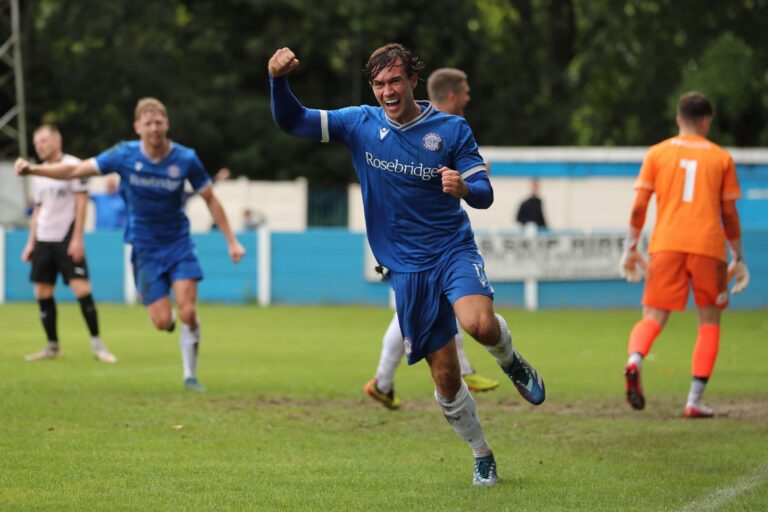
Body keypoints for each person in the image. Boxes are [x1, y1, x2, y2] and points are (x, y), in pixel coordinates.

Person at [269, 44, 545, 486]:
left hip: (452, 250)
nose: (387, 91)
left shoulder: (451, 129)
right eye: (378, 84)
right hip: (406, 270)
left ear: (414, 80)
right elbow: (292, 120)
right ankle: (481, 453)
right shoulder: (359, 122)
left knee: (478, 325)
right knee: (446, 377)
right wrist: (277, 79)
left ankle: (511, 360)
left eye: (395, 81)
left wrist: (464, 188)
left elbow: (485, 190)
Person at [16, 98, 246, 391]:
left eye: (159, 122)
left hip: (178, 243)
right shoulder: (123, 155)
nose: (154, 128)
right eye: (147, 123)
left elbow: (210, 199)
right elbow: (75, 171)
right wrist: (34, 170)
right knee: (163, 321)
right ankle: (169, 320)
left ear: (167, 124)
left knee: (188, 311)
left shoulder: (186, 159)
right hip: (144, 249)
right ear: (138, 127)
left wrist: (232, 241)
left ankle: (190, 374)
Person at [364, 67, 499, 411]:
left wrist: (469, 180)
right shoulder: (404, 129)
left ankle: (389, 380)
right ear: (453, 95)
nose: (469, 97)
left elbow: (480, 191)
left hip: (439, 249)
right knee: (410, 317)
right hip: (407, 252)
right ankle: (383, 380)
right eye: (466, 91)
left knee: (440, 309)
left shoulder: (453, 133)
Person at [619, 91, 749, 418]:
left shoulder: (657, 153)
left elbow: (639, 206)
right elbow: (729, 214)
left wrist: (631, 247)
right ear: (706, 121)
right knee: (709, 321)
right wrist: (740, 257)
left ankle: (635, 359)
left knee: (653, 316)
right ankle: (694, 399)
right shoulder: (720, 157)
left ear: (679, 119)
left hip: (665, 245)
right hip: (709, 248)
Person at [21, 124, 117, 363]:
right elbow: (38, 210)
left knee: (82, 290)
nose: (40, 146)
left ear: (57, 140)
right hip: (44, 238)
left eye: (43, 141)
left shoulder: (75, 166)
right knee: (42, 292)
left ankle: (98, 345)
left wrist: (77, 239)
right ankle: (52, 346)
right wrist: (30, 243)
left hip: (66, 237)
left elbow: (82, 203)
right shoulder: (38, 173)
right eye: (36, 143)